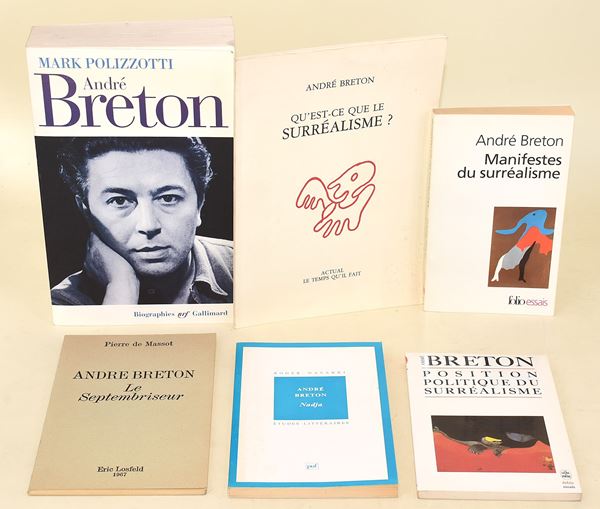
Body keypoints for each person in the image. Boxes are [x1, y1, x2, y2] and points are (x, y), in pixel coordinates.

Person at [51, 137, 232, 305]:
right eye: (119, 201)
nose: (148, 225)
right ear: (86, 210)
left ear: (199, 205)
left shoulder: (244, 266)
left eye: (168, 198)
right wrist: (121, 291)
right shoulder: (60, 305)